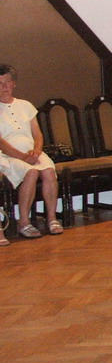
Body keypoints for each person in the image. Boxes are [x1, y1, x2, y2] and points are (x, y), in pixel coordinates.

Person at [0, 64, 63, 240]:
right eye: (0, 83)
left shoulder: (25, 105)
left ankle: (52, 218)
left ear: (14, 83)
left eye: (7, 82)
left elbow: (37, 134)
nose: (4, 87)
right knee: (31, 172)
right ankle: (24, 222)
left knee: (49, 171)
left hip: (31, 153)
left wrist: (36, 151)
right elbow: (1, 143)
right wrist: (23, 157)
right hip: (8, 156)